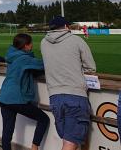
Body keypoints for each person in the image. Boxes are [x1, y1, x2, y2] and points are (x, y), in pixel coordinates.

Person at [41, 16, 96, 150]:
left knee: (67, 139)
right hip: (75, 95)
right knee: (70, 142)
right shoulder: (76, 40)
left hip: (55, 96)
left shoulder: (44, 42)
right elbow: (91, 67)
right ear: (66, 27)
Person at [0, 33, 49, 150]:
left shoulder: (12, 56)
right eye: (31, 44)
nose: (32, 46)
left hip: (4, 97)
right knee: (43, 119)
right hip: (16, 98)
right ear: (26, 46)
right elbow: (43, 64)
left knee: (7, 130)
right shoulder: (25, 58)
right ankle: (34, 147)